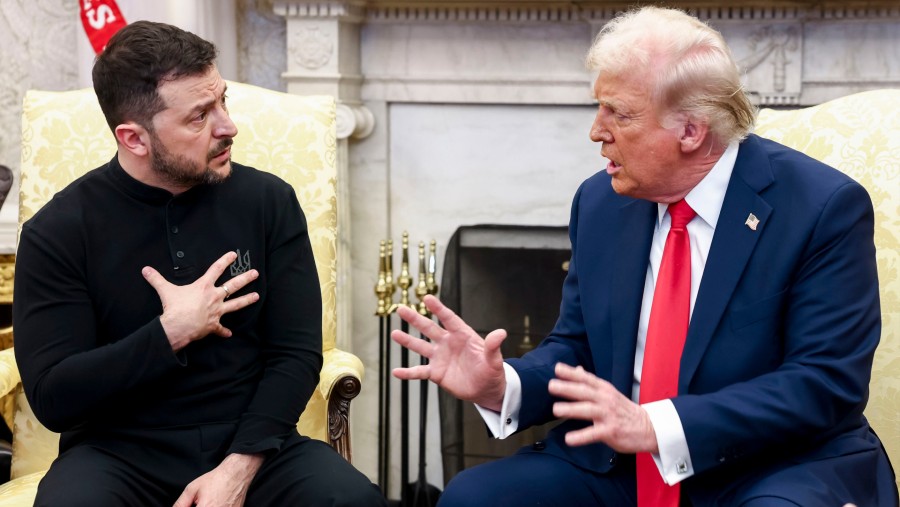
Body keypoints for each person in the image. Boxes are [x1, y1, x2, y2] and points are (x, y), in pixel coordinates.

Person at [392, 6, 898, 506]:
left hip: (768, 465)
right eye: (599, 107)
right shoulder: (601, 202)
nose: (596, 130)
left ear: (691, 130)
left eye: (621, 113)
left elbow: (823, 383)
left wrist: (655, 425)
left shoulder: (821, 207)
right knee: (476, 498)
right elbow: (578, 349)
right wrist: (505, 385)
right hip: (622, 465)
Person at [13, 20, 385, 507]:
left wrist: (238, 467)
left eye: (223, 101)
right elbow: (54, 397)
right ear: (134, 139)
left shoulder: (269, 201)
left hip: (255, 443)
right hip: (117, 453)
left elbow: (296, 355)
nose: (228, 126)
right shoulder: (57, 231)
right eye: (199, 116)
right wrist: (170, 333)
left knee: (350, 500)